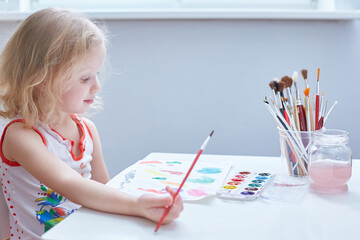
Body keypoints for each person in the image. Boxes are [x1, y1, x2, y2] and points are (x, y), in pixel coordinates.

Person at [0, 8, 183, 239]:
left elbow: (105, 191)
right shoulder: (22, 135)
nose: (96, 86)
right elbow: (70, 184)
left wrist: (149, 205)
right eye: (85, 78)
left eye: (96, 74)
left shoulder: (86, 130)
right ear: (42, 80)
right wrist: (137, 204)